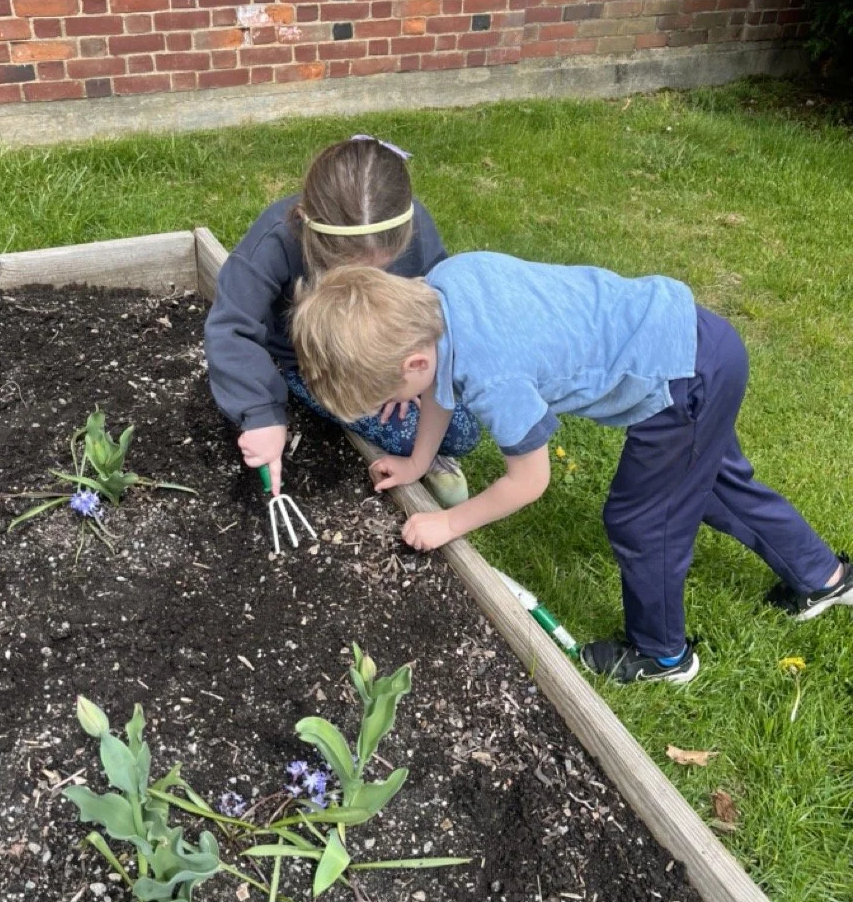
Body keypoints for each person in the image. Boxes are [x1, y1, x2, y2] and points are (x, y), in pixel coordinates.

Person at [290, 252, 852, 684]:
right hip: (698, 341)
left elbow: (529, 481)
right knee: (711, 484)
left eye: (393, 392)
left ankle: (662, 654)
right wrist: (418, 461)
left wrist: (448, 524)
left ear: (412, 362)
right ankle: (824, 577)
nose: (399, 403)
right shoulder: (444, 288)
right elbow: (438, 385)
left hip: (679, 384)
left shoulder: (493, 374)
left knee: (643, 521)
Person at [203, 134, 479, 505]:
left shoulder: (411, 227)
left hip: (391, 359)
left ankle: (421, 451)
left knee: (466, 430)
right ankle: (422, 455)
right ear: (305, 223)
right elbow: (230, 327)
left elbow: (437, 300)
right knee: (427, 431)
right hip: (321, 365)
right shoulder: (276, 238)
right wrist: (261, 415)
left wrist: (411, 379)